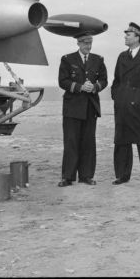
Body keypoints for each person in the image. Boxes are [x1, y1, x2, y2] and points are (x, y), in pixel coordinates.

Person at [57, 33, 108, 187]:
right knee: (71, 141)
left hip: (90, 107)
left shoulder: (98, 60)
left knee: (88, 142)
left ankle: (86, 176)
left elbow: (104, 80)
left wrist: (95, 87)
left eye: (90, 43)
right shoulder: (67, 59)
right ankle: (68, 177)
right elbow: (62, 81)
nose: (88, 46)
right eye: (85, 43)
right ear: (78, 43)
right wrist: (80, 87)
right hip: (72, 107)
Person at [111, 22, 140, 185]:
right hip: (123, 104)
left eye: (128, 34)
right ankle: (122, 175)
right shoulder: (122, 56)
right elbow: (117, 79)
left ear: (138, 37)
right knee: (122, 141)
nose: (125, 37)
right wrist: (117, 95)